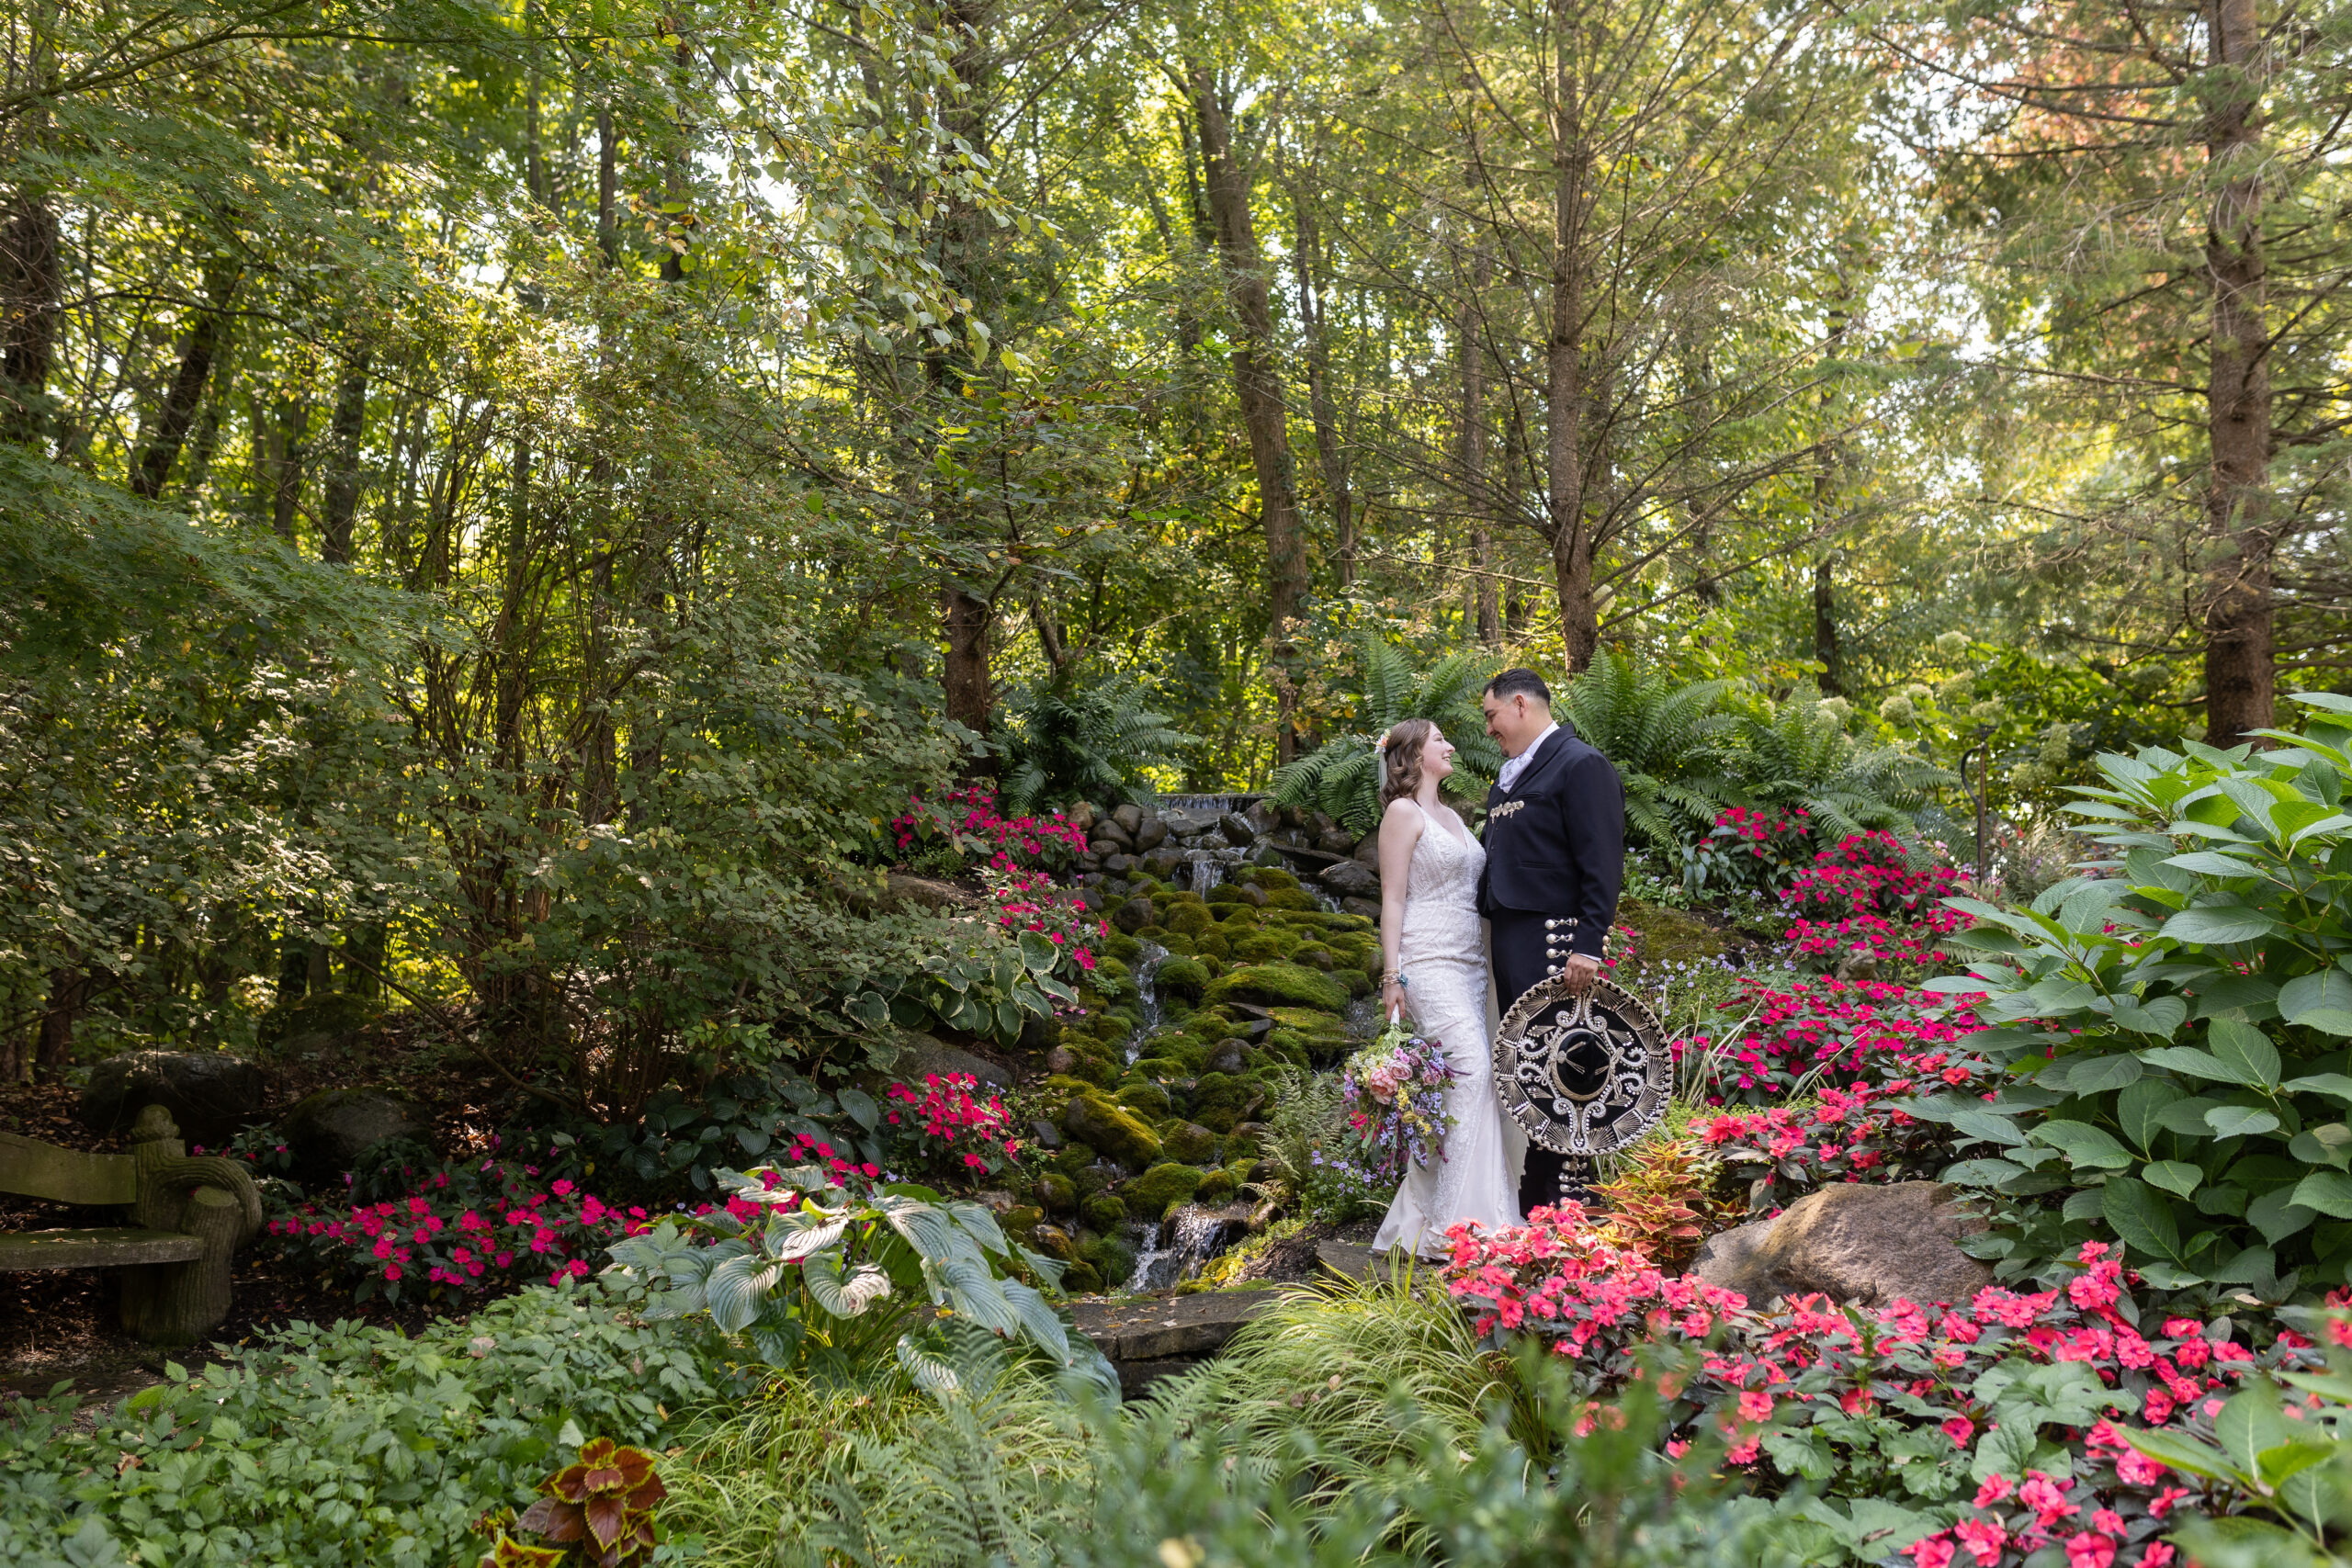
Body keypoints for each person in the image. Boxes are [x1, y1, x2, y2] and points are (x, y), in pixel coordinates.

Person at [1368, 717, 1523, 1257]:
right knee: (1471, 1072)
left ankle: (1476, 1216)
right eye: (1440, 739)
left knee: (1474, 1084)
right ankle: (1451, 1227)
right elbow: (1392, 899)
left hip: (1472, 965)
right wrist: (1393, 976)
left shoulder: (1454, 817)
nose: (1451, 745)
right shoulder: (1401, 813)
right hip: (1428, 962)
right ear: (1412, 755)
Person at [1476, 667, 1626, 1214]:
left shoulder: (1580, 763)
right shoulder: (1511, 773)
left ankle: (1567, 1193)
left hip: (1554, 939)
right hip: (1511, 936)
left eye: (1491, 716)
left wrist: (1588, 943)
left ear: (1520, 704)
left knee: (1562, 1064)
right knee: (1529, 1065)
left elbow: (1602, 860)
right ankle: (1535, 1191)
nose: (1489, 729)